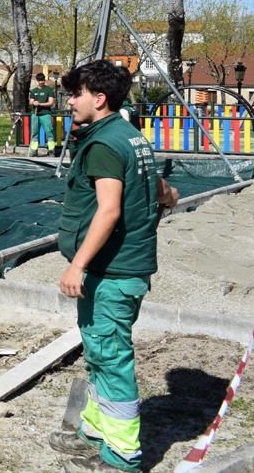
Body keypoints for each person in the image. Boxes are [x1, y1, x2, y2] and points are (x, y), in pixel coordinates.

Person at [50, 61, 179, 473]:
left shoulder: (105, 144)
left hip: (112, 272)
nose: (70, 102)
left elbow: (107, 211)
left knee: (110, 356)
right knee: (99, 352)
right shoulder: (129, 135)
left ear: (98, 98)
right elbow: (161, 190)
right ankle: (95, 431)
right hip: (119, 270)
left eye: (76, 94)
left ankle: (123, 455)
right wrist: (168, 198)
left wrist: (77, 266)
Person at [29, 72, 57, 154]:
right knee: (34, 133)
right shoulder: (33, 91)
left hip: (46, 114)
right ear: (37, 80)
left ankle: (51, 150)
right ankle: (34, 151)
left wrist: (40, 104)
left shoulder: (49, 90)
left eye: (43, 80)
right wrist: (33, 103)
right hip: (35, 114)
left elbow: (51, 102)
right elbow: (31, 102)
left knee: (49, 131)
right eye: (40, 80)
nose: (41, 82)